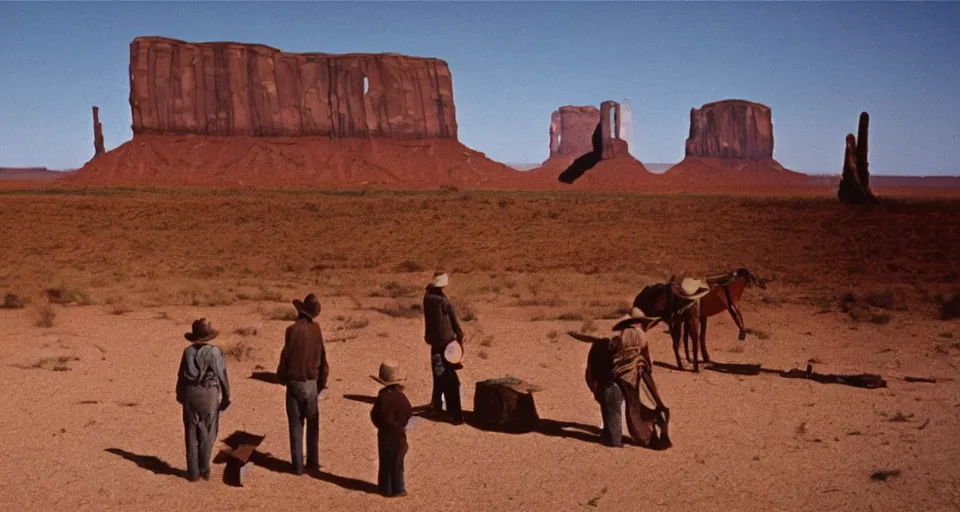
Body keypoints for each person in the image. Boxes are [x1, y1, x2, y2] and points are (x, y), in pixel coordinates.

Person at [586, 307, 670, 449]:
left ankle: (614, 440)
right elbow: (647, 368)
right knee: (631, 407)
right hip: (632, 382)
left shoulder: (616, 342)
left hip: (610, 385)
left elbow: (597, 369)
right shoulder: (642, 341)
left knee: (611, 408)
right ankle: (616, 437)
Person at [276, 293, 329, 475]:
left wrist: (282, 377)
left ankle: (297, 466)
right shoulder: (317, 330)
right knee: (313, 424)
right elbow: (323, 359)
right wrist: (320, 383)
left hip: (295, 383)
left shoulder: (291, 331)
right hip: (312, 384)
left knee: (296, 425)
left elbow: (286, 357)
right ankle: (313, 463)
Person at [176, 318, 231, 482]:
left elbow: (181, 377)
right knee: (209, 431)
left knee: (191, 433)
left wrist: (180, 394)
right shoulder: (215, 352)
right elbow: (222, 376)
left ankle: (193, 472)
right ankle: (204, 467)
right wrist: (226, 397)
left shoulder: (187, 352)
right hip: (209, 395)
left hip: (190, 393)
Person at [422, 271, 465, 424]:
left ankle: (436, 403)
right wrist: (460, 335)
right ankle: (452, 412)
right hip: (447, 342)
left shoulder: (427, 298)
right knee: (449, 377)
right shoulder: (443, 301)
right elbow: (452, 319)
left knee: (437, 373)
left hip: (434, 341)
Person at [370, 360, 413, 498]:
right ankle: (399, 488)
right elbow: (408, 413)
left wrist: (381, 425)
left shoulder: (382, 398)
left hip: (385, 435)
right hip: (400, 435)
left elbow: (374, 415)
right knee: (398, 464)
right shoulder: (403, 398)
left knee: (385, 461)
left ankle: (385, 488)